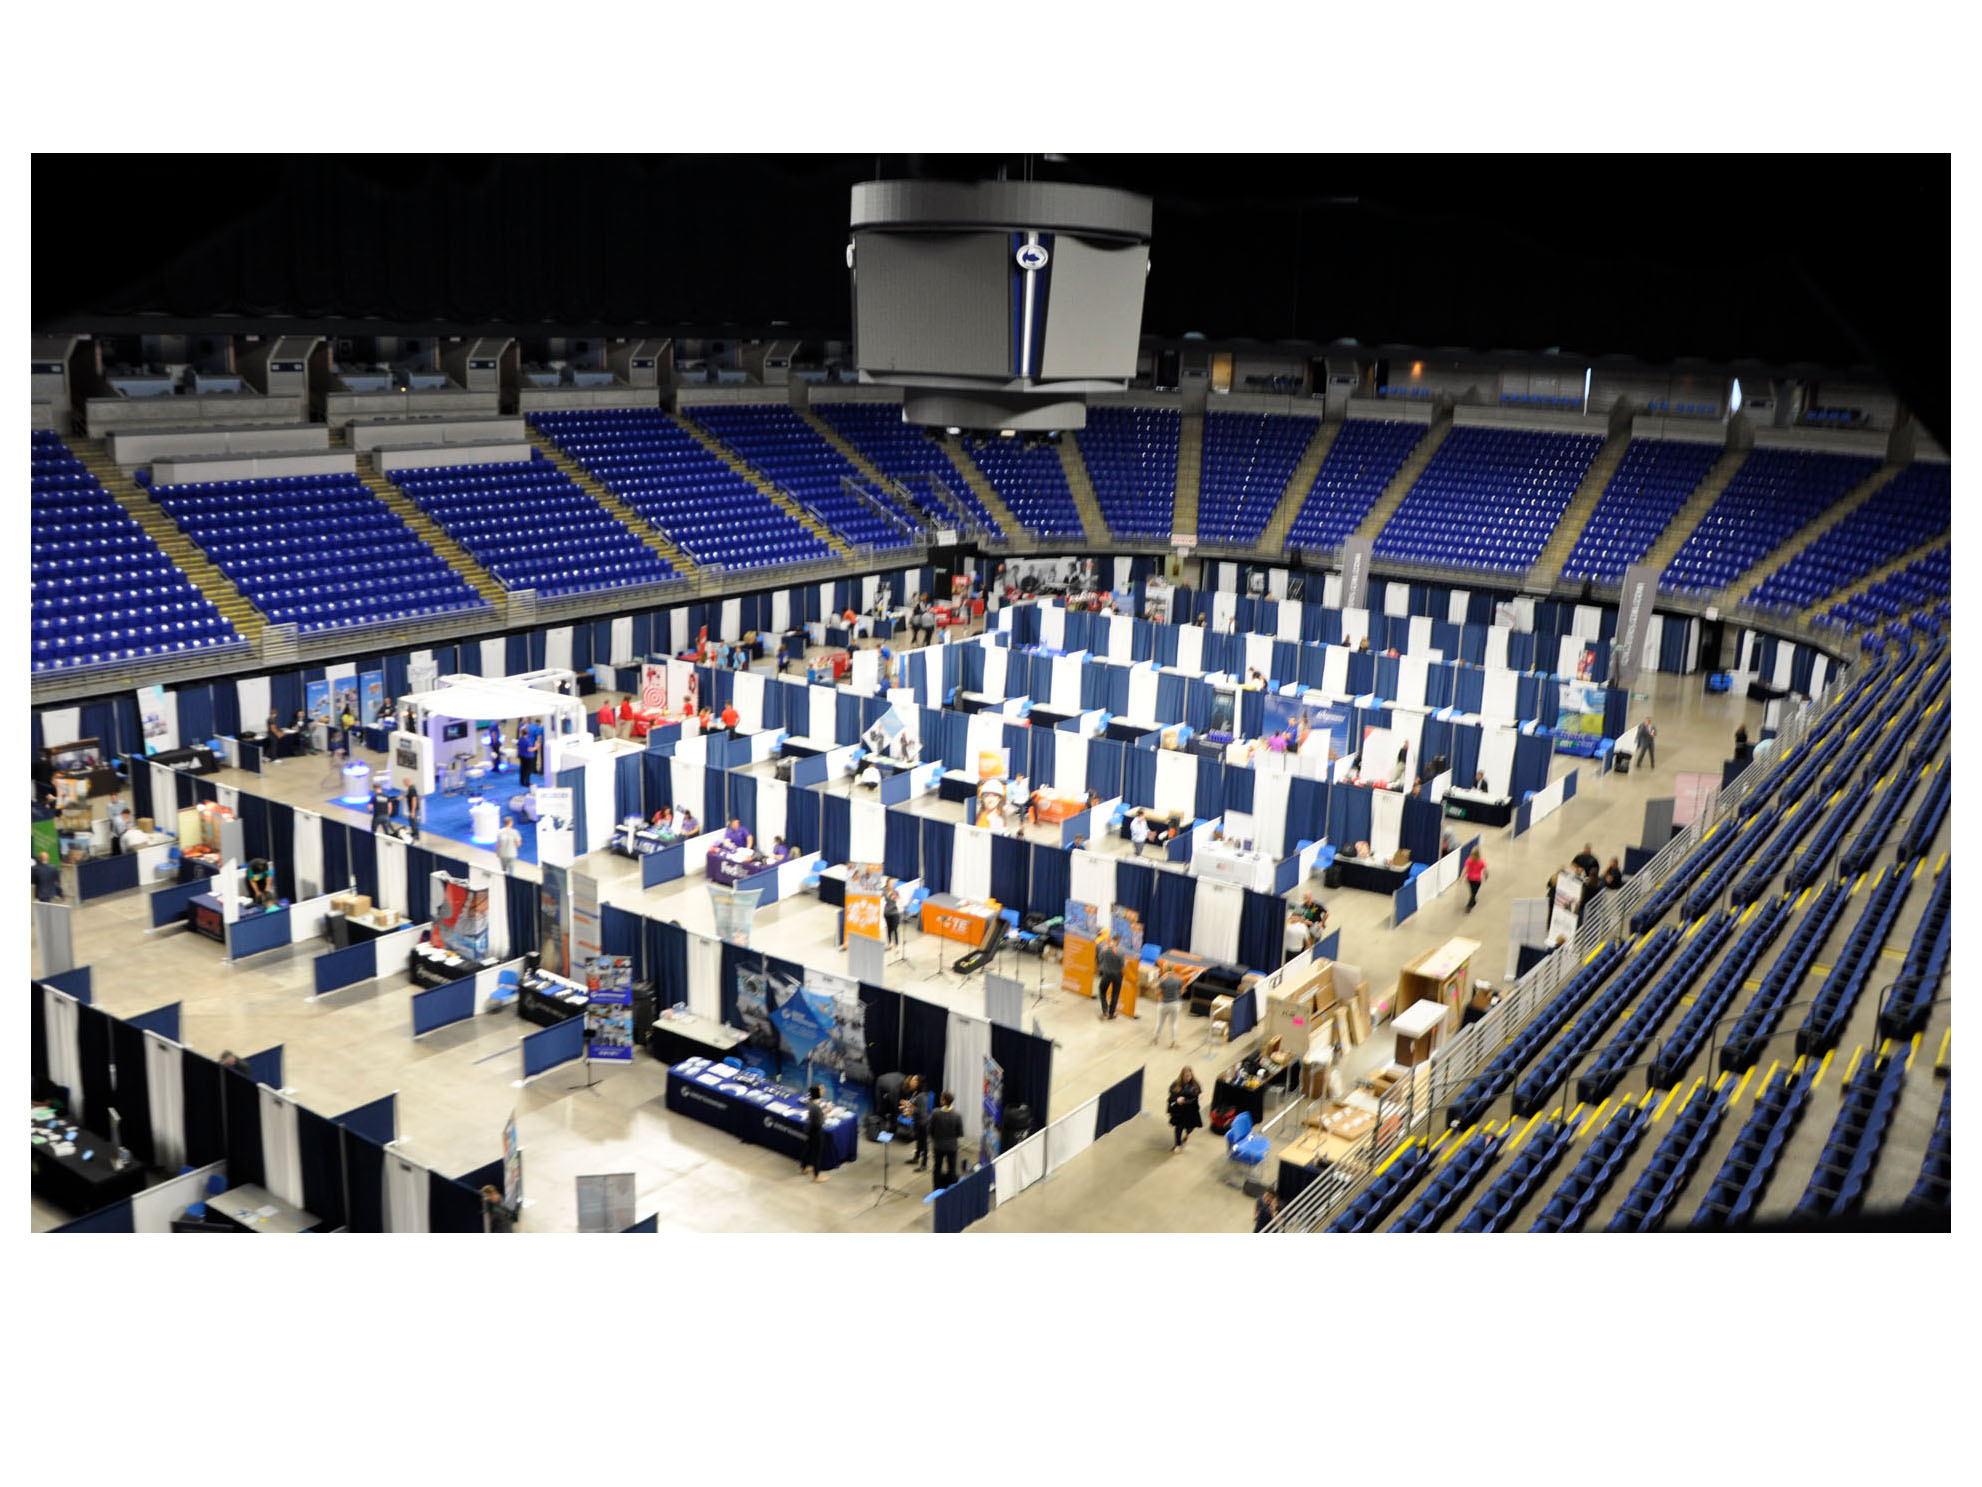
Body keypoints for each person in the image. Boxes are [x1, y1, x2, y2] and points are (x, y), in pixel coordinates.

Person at [929, 1090, 963, 1191]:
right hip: (952, 1147)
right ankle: (951, 1189)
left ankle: (936, 1189)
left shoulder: (935, 1113)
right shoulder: (957, 1116)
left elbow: (931, 1129)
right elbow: (960, 1133)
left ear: (943, 1101)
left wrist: (934, 1137)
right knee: (952, 1168)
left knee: (937, 1168)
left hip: (938, 1146)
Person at [1167, 1067, 1202, 1153]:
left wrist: (1200, 1094)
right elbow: (1171, 1098)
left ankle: (1187, 1133)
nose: (1187, 1078)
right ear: (1182, 1076)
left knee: (1190, 1127)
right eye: (1185, 1076)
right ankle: (1178, 1144)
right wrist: (1177, 1100)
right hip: (1180, 1111)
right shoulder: (1176, 1085)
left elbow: (1199, 1091)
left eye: (1189, 1076)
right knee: (1179, 1128)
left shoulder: (1195, 1084)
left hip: (1191, 1110)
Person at [798, 1084, 829, 1182]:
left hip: (810, 1129)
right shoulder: (816, 1107)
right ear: (818, 1093)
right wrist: (827, 1113)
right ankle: (816, 1176)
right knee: (817, 1153)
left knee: (809, 1148)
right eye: (822, 1089)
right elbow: (820, 1122)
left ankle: (804, 1167)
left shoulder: (811, 1103)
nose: (824, 1090)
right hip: (817, 1131)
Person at [1094, 932, 1125, 1021]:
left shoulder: (1104, 949)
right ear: (1118, 941)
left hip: (1106, 974)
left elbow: (1099, 959)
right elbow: (1122, 965)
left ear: (1112, 939)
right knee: (1115, 994)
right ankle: (1111, 1014)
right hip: (1117, 976)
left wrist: (1103, 968)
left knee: (1102, 990)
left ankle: (1105, 1010)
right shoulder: (1120, 952)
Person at [1153, 963, 1185, 1048]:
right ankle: (1173, 1041)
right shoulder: (1178, 978)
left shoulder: (1162, 979)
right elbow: (1181, 992)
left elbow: (1157, 992)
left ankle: (1156, 1038)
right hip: (1175, 1004)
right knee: (1174, 1023)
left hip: (1164, 1004)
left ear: (1165, 969)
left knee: (1160, 1022)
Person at [906, 1076, 931, 1171]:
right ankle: (916, 1158)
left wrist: (910, 1109)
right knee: (918, 1142)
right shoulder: (915, 1093)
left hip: (923, 1123)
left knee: (924, 1144)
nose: (911, 1083)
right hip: (917, 1122)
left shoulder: (922, 1096)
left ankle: (924, 1165)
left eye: (913, 1081)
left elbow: (920, 1111)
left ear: (918, 1083)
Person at [517, 720, 541, 791]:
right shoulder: (528, 741)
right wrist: (536, 747)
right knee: (527, 770)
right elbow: (529, 749)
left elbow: (519, 747)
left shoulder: (520, 739)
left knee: (522, 769)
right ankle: (526, 782)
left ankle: (522, 781)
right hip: (528, 757)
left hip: (522, 756)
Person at [1464, 847, 1488, 912]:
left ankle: (1471, 904)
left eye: (1472, 854)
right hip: (1473, 880)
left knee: (1473, 892)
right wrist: (1486, 877)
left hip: (1473, 880)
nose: (1471, 855)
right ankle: (1471, 903)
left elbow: (1465, 869)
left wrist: (1486, 876)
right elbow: (1465, 869)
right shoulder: (1479, 861)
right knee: (1473, 892)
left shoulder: (1472, 860)